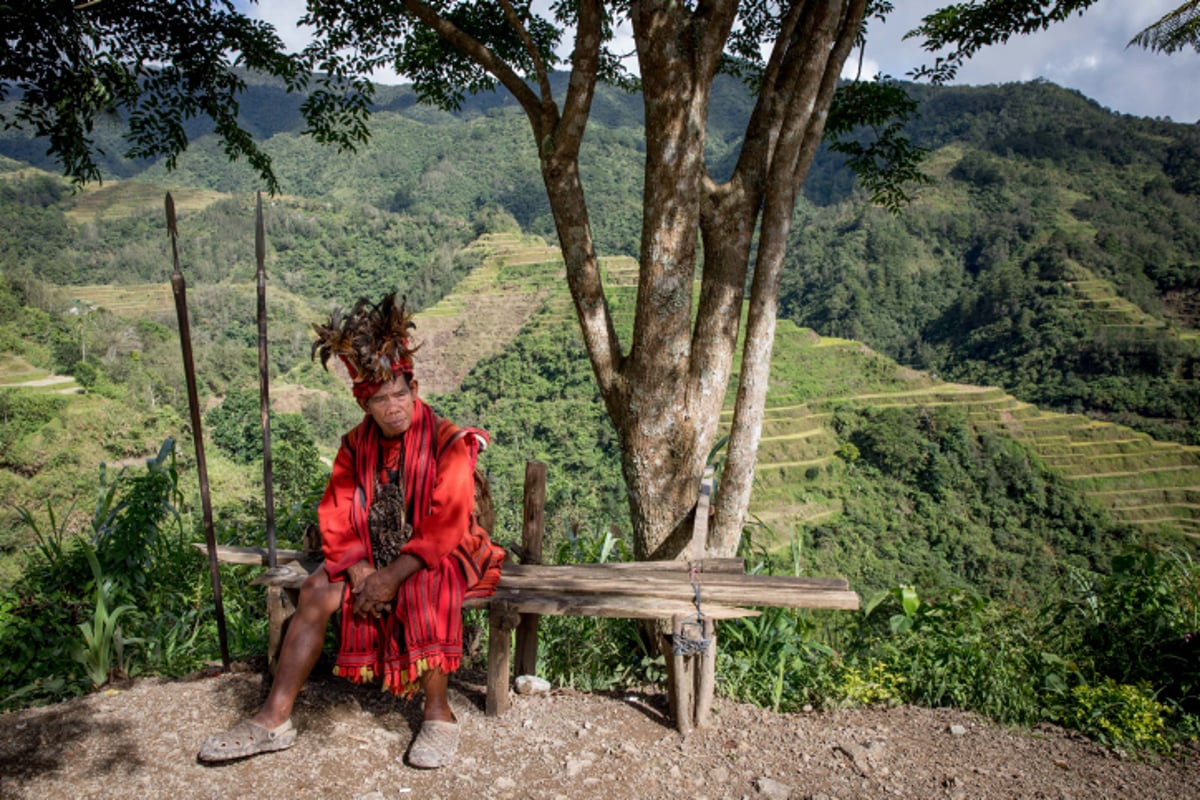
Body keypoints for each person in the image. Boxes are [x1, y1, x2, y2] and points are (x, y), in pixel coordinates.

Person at [198, 293, 505, 769]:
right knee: (318, 589)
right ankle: (273, 718)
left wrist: (391, 575)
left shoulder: (448, 443)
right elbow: (337, 513)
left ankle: (439, 714)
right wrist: (361, 569)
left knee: (427, 587)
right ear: (365, 403)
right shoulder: (354, 446)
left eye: (400, 394)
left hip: (440, 551)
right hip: (371, 556)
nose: (393, 407)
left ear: (414, 387)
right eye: (380, 400)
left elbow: (446, 523)